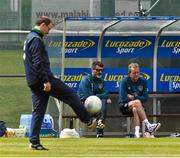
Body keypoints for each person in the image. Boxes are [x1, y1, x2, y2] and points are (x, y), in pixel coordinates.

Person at [23, 16, 99, 150]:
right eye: (48, 28)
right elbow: (37, 62)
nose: (48, 32)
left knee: (38, 111)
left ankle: (34, 142)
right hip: (43, 79)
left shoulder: (29, 37)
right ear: (42, 25)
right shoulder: (36, 40)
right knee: (71, 95)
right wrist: (46, 80)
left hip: (33, 80)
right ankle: (88, 120)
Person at [118, 63, 161, 138]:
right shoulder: (124, 81)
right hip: (124, 106)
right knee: (137, 102)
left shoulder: (143, 81)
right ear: (129, 73)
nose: (136, 74)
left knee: (135, 108)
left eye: (138, 72)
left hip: (138, 106)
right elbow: (123, 98)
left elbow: (145, 98)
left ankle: (137, 133)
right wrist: (136, 99)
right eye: (134, 73)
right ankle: (149, 125)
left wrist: (133, 97)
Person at [78, 61, 111, 138]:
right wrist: (100, 96)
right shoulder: (86, 80)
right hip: (85, 105)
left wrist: (97, 96)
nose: (100, 72)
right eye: (98, 70)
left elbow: (106, 94)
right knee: (103, 100)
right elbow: (88, 97)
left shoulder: (102, 81)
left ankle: (99, 127)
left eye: (101, 70)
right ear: (92, 69)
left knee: (104, 100)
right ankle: (100, 128)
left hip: (96, 107)